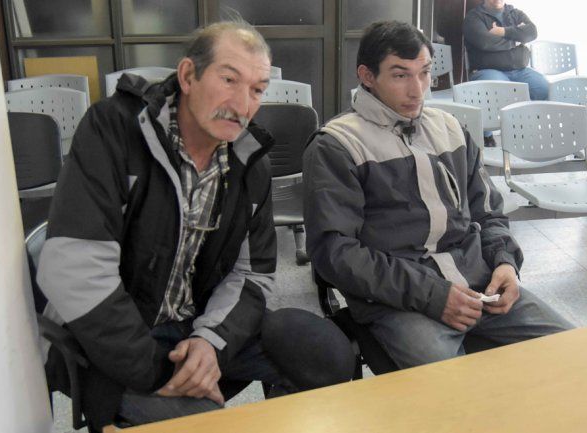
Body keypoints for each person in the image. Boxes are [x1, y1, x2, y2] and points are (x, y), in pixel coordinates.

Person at [37, 20, 354, 429]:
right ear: (188, 76)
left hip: (195, 324)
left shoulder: (248, 161)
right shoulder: (113, 130)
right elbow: (75, 270)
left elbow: (253, 274)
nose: (241, 104)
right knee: (205, 423)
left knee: (326, 353)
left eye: (257, 90)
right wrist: (160, 373)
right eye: (229, 80)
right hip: (111, 340)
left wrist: (210, 343)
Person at [303, 21, 572, 371]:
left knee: (573, 352)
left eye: (425, 73)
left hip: (478, 282)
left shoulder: (449, 129)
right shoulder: (338, 145)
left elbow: (488, 212)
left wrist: (505, 261)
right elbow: (335, 252)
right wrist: (432, 294)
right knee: (454, 391)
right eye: (400, 75)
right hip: (398, 300)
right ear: (367, 76)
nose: (417, 90)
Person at [463, 0, 548, 146]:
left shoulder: (515, 13)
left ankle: (528, 127)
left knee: (544, 88)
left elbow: (532, 32)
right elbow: (485, 42)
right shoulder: (474, 17)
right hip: (488, 70)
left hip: (520, 70)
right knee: (503, 90)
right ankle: (486, 133)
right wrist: (516, 39)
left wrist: (502, 32)